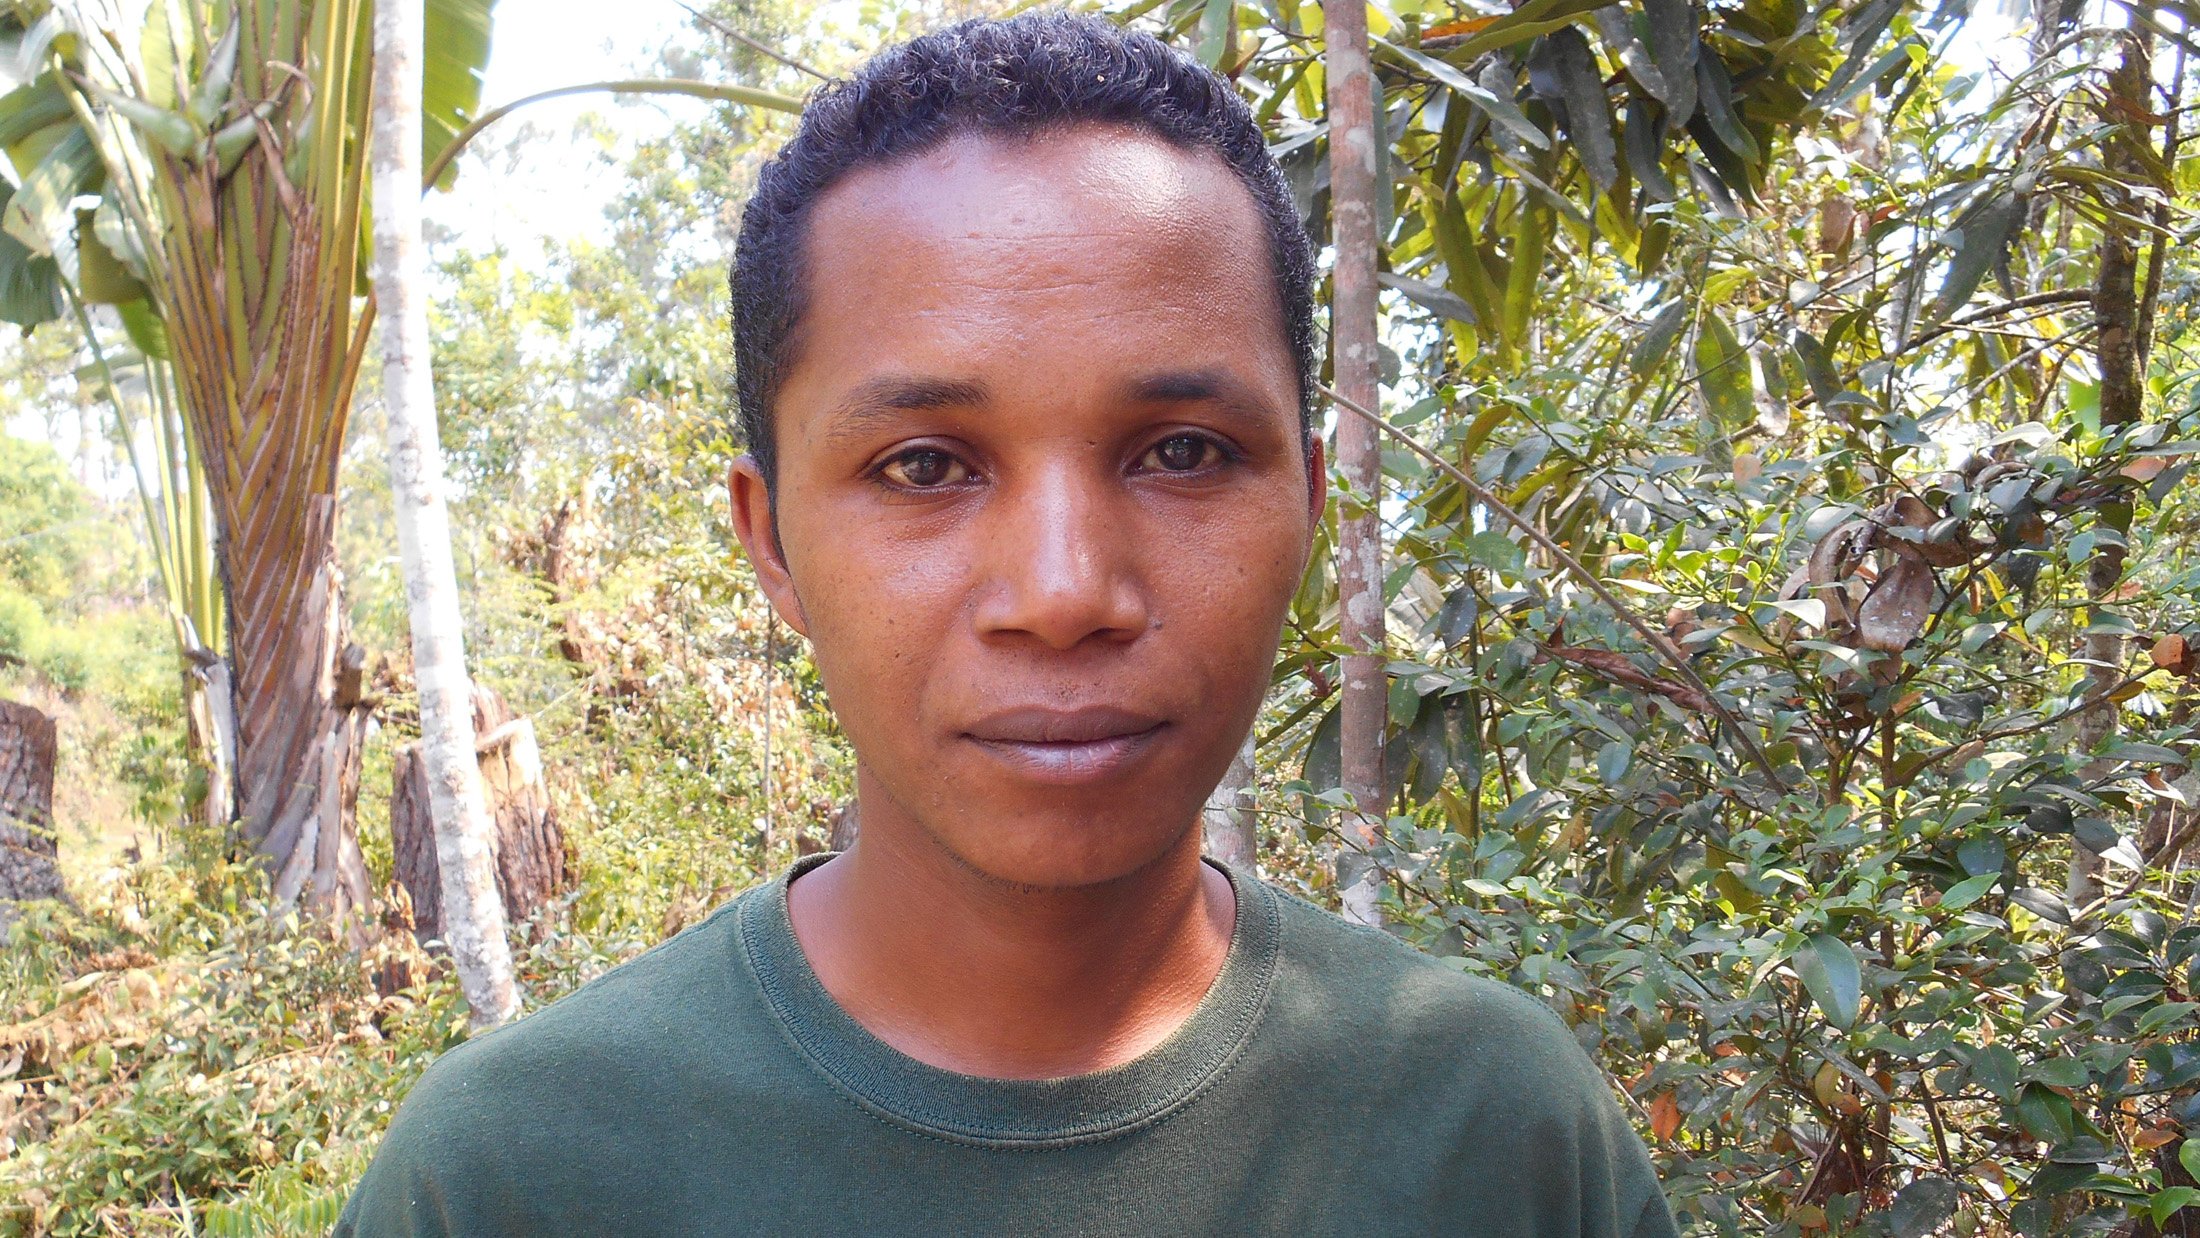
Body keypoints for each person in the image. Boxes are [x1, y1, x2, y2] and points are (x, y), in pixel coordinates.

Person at [336, 12, 1678, 1235]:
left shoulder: (1499, 1141)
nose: (1065, 591)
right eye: (926, 465)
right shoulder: (514, 1180)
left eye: (1186, 452)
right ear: (773, 543)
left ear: (1312, 504)